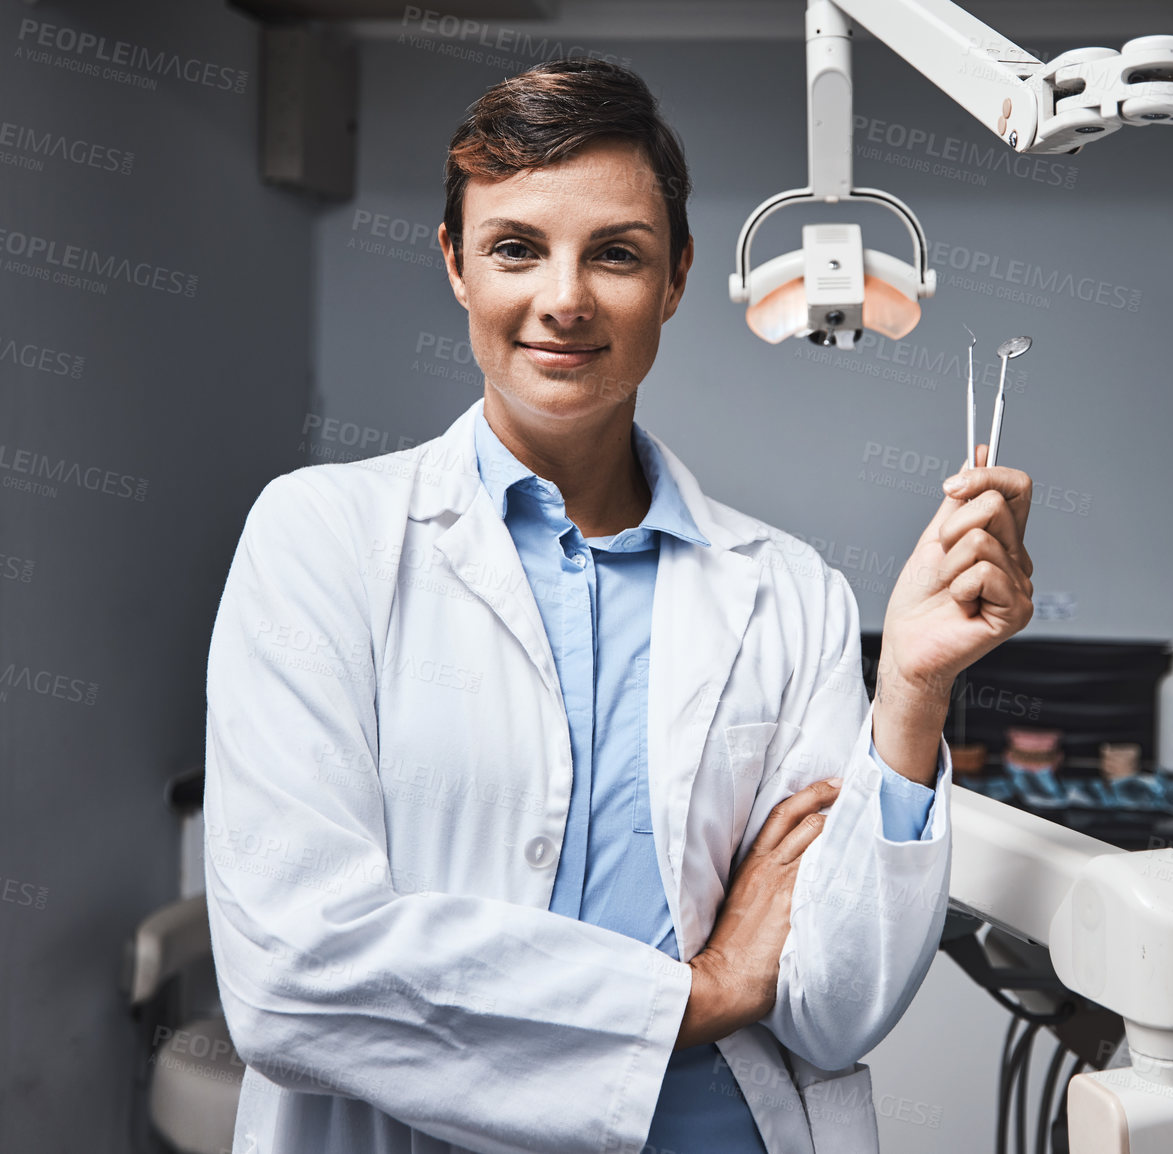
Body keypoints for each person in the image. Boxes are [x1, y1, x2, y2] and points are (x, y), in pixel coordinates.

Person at [204, 58, 1034, 1154]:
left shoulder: (787, 591)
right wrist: (700, 990)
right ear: (455, 263)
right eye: (515, 247)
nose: (564, 298)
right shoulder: (320, 538)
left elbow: (832, 1010)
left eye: (617, 253)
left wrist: (915, 692)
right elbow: (294, 977)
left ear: (679, 276)